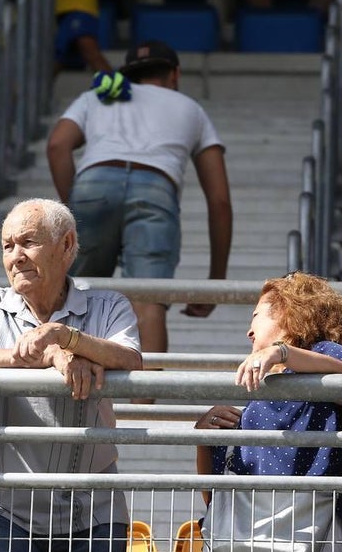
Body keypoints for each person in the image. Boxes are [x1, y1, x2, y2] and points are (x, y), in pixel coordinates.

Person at [0, 198, 142, 552]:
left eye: (28, 242)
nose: (15, 256)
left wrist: (66, 337)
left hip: (94, 510)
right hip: (1, 506)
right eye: (7, 246)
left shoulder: (109, 305)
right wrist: (44, 357)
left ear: (66, 245)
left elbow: (130, 359)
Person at [46, 39, 232, 355]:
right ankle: (146, 388)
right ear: (175, 74)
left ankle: (67, 380)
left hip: (93, 184)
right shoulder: (191, 109)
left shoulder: (95, 98)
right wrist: (216, 281)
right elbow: (220, 201)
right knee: (148, 300)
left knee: (75, 295)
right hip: (156, 188)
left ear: (127, 74)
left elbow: (57, 145)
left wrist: (75, 210)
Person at [196, 272, 342, 552]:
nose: (249, 330)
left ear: (290, 312)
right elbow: (214, 496)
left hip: (311, 534)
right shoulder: (257, 398)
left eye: (256, 316)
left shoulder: (327, 352)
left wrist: (281, 351)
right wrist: (203, 438)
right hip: (244, 542)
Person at [54, 0, 112, 74]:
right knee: (55, 58)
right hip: (60, 7)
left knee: (88, 48)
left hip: (78, 4)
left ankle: (118, 84)